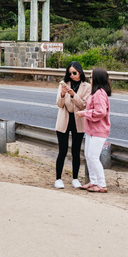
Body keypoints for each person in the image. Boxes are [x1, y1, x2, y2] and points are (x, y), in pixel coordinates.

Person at [54, 61, 90, 189]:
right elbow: (59, 104)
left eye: (74, 73)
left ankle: (75, 178)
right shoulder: (63, 84)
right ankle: (58, 178)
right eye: (70, 73)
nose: (72, 75)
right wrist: (63, 94)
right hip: (64, 119)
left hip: (78, 121)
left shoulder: (87, 86)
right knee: (62, 151)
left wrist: (73, 94)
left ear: (80, 72)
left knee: (76, 151)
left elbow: (83, 105)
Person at [77, 68, 111, 193]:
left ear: (96, 79)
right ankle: (94, 181)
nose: (89, 79)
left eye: (91, 77)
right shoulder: (95, 92)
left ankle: (102, 184)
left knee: (93, 157)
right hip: (91, 130)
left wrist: (84, 113)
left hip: (99, 131)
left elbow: (100, 112)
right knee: (88, 156)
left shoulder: (99, 94)